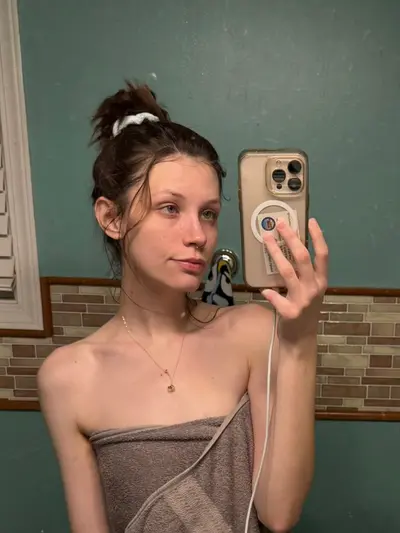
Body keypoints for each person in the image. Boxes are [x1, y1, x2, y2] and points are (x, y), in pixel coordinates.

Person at [38, 80, 328, 533]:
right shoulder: (68, 377)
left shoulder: (254, 333)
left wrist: (301, 337)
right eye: (170, 208)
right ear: (111, 217)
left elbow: (279, 512)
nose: (198, 236)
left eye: (208, 213)